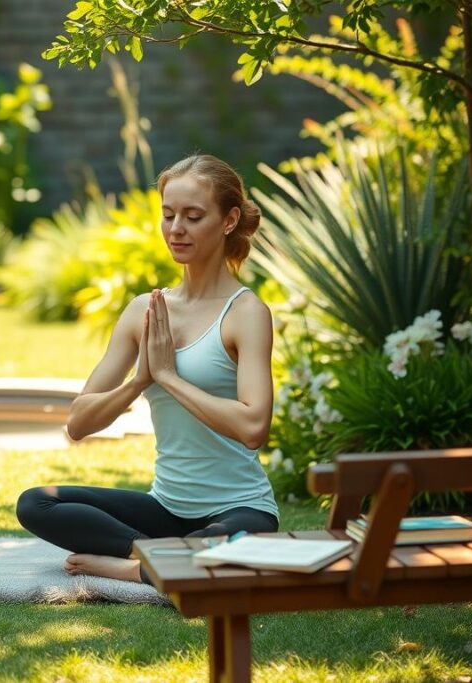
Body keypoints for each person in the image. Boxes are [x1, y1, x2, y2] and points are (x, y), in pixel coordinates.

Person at [15, 154, 278, 584]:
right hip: (166, 509)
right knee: (36, 503)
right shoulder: (145, 311)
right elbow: (78, 422)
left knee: (230, 545)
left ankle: (130, 567)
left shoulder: (245, 313)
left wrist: (170, 378)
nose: (176, 229)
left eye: (193, 217)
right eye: (169, 215)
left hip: (239, 510)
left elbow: (253, 426)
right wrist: (141, 379)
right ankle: (159, 558)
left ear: (229, 221)